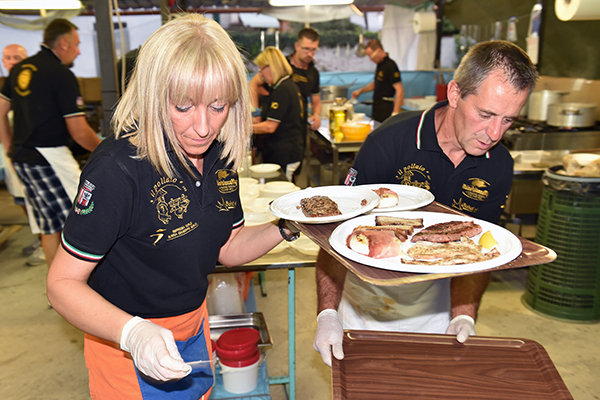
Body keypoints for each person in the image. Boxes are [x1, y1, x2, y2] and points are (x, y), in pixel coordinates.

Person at [46, 14, 301, 400]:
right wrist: (132, 333)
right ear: (152, 95)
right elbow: (61, 285)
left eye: (218, 107)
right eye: (183, 107)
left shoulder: (220, 157)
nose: (203, 127)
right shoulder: (118, 169)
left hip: (194, 324)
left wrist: (290, 224)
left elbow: (228, 248)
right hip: (126, 343)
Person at [313, 40, 538, 367]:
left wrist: (464, 317)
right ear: (455, 94)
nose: (494, 133)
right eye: (486, 114)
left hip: (437, 310)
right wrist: (327, 313)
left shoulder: (498, 165)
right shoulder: (390, 142)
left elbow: (483, 251)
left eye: (508, 120)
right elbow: (336, 235)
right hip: (366, 304)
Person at [0, 19, 101, 269]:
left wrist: (11, 148)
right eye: (76, 44)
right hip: (50, 158)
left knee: (49, 226)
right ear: (63, 43)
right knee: (86, 220)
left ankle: (56, 291)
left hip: (24, 159)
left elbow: (0, 110)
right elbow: (79, 132)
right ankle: (82, 289)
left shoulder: (20, 69)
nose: (78, 50)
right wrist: (107, 150)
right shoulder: (61, 75)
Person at [252, 46, 304, 181]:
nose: (261, 74)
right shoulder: (282, 86)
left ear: (271, 67)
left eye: (261, 69)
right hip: (280, 150)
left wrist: (243, 128)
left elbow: (270, 126)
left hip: (286, 153)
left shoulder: (283, 89)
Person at [351, 39, 404, 123]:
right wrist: (360, 91)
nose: (371, 60)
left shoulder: (390, 65)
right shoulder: (380, 65)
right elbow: (377, 84)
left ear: (379, 51)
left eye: (371, 56)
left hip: (386, 107)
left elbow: (400, 90)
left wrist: (395, 113)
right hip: (377, 105)